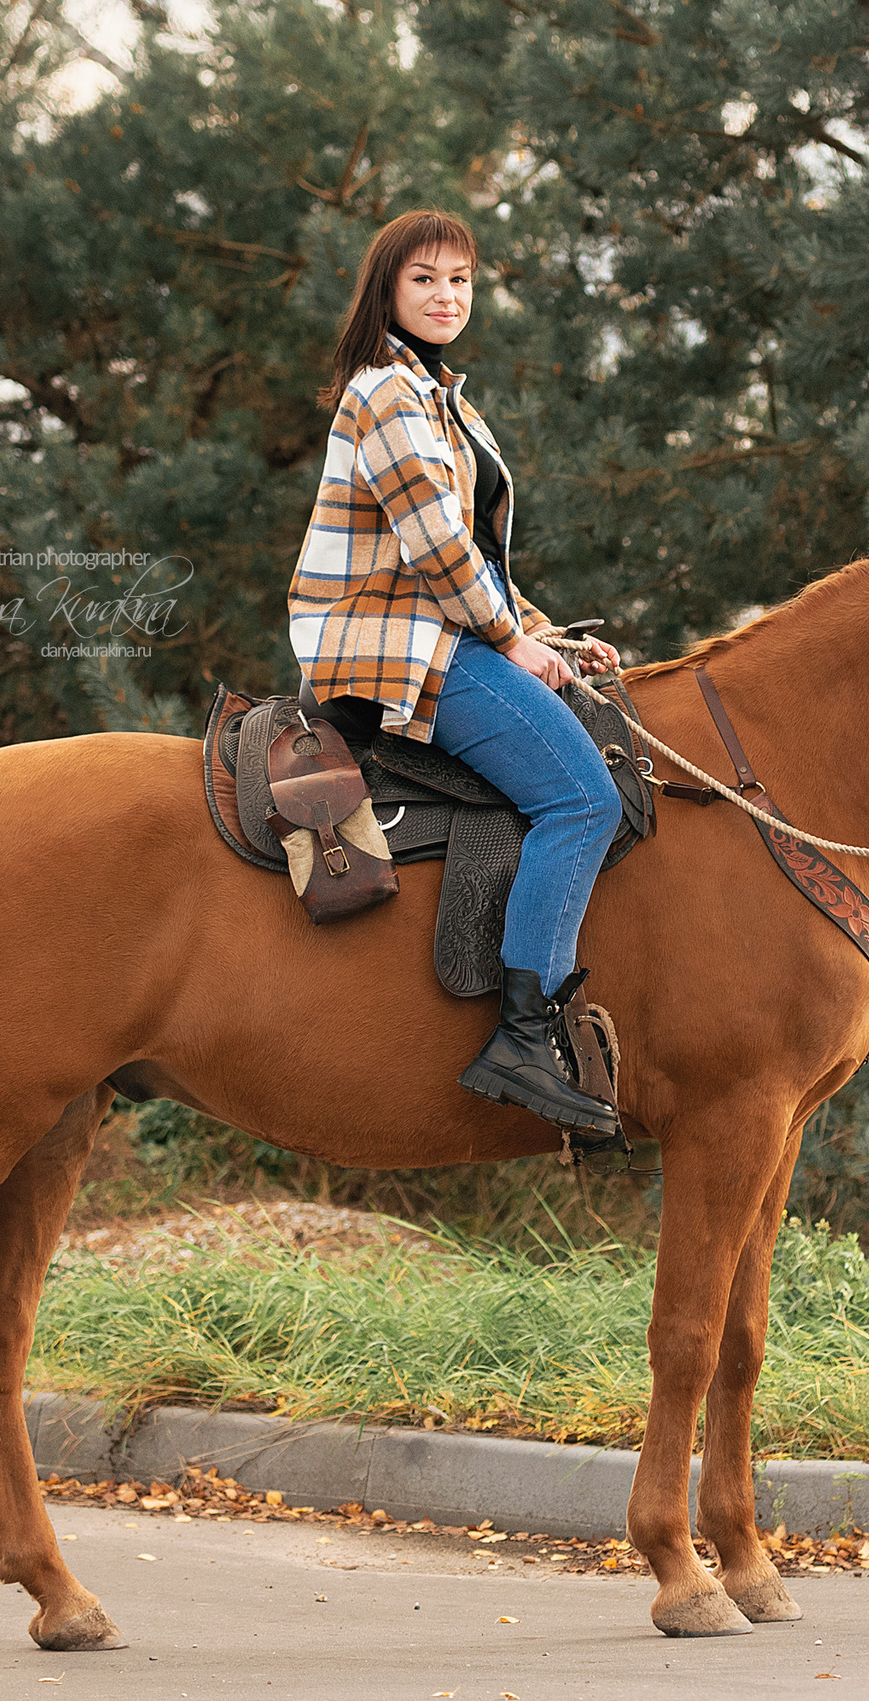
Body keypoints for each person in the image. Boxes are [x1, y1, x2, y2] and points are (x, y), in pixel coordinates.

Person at [290, 208, 628, 1144]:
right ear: (388, 293)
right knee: (583, 800)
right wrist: (510, 642)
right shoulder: (385, 393)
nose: (447, 298)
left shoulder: (442, 396)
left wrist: (538, 630)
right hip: (388, 643)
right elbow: (435, 543)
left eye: (461, 282)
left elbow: (470, 552)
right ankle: (525, 1036)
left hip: (438, 631)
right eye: (425, 281)